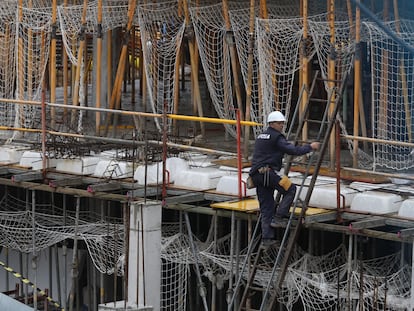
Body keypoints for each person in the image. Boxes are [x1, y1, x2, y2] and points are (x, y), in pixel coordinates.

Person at [249, 111, 320, 247]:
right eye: (279, 123)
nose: (282, 126)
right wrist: (310, 147)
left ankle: (267, 239)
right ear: (272, 124)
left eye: (282, 123)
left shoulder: (261, 136)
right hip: (268, 173)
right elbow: (293, 150)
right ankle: (279, 216)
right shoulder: (276, 137)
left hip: (256, 176)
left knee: (266, 207)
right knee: (291, 189)